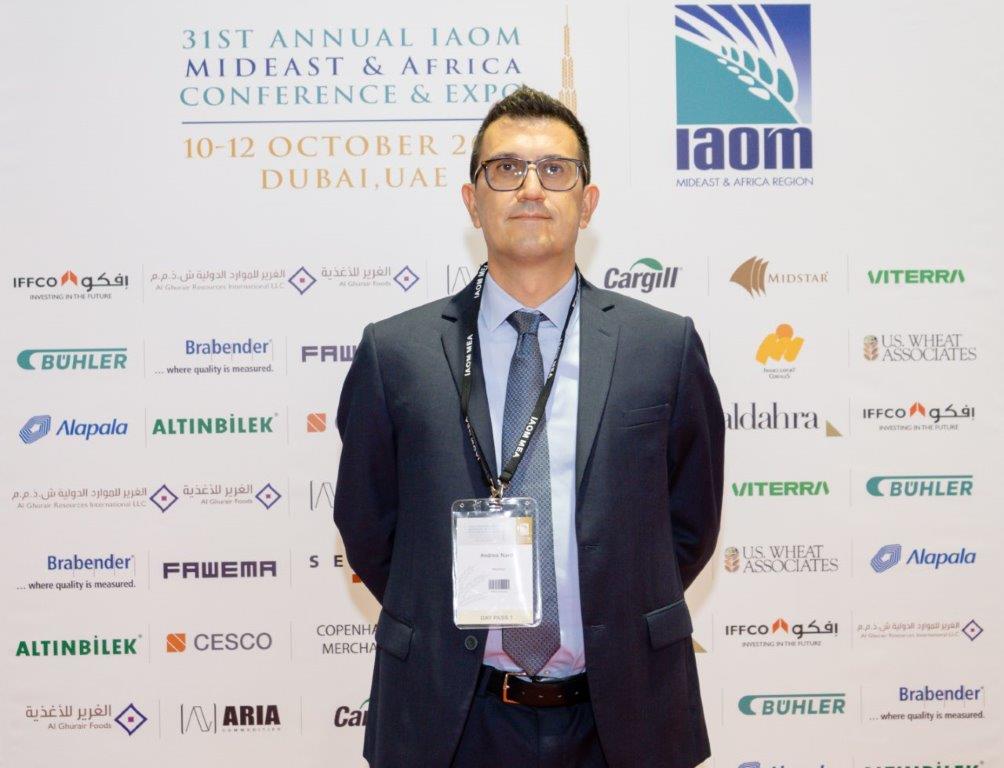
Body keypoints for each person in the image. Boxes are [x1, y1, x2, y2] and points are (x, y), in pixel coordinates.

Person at [334, 85, 724, 768]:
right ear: (472, 200)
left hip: (624, 715)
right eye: (506, 169)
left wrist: (619, 602)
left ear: (588, 201)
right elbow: (369, 527)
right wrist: (443, 605)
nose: (531, 188)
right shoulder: (396, 352)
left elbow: (689, 525)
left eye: (555, 170)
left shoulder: (663, 345)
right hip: (451, 717)